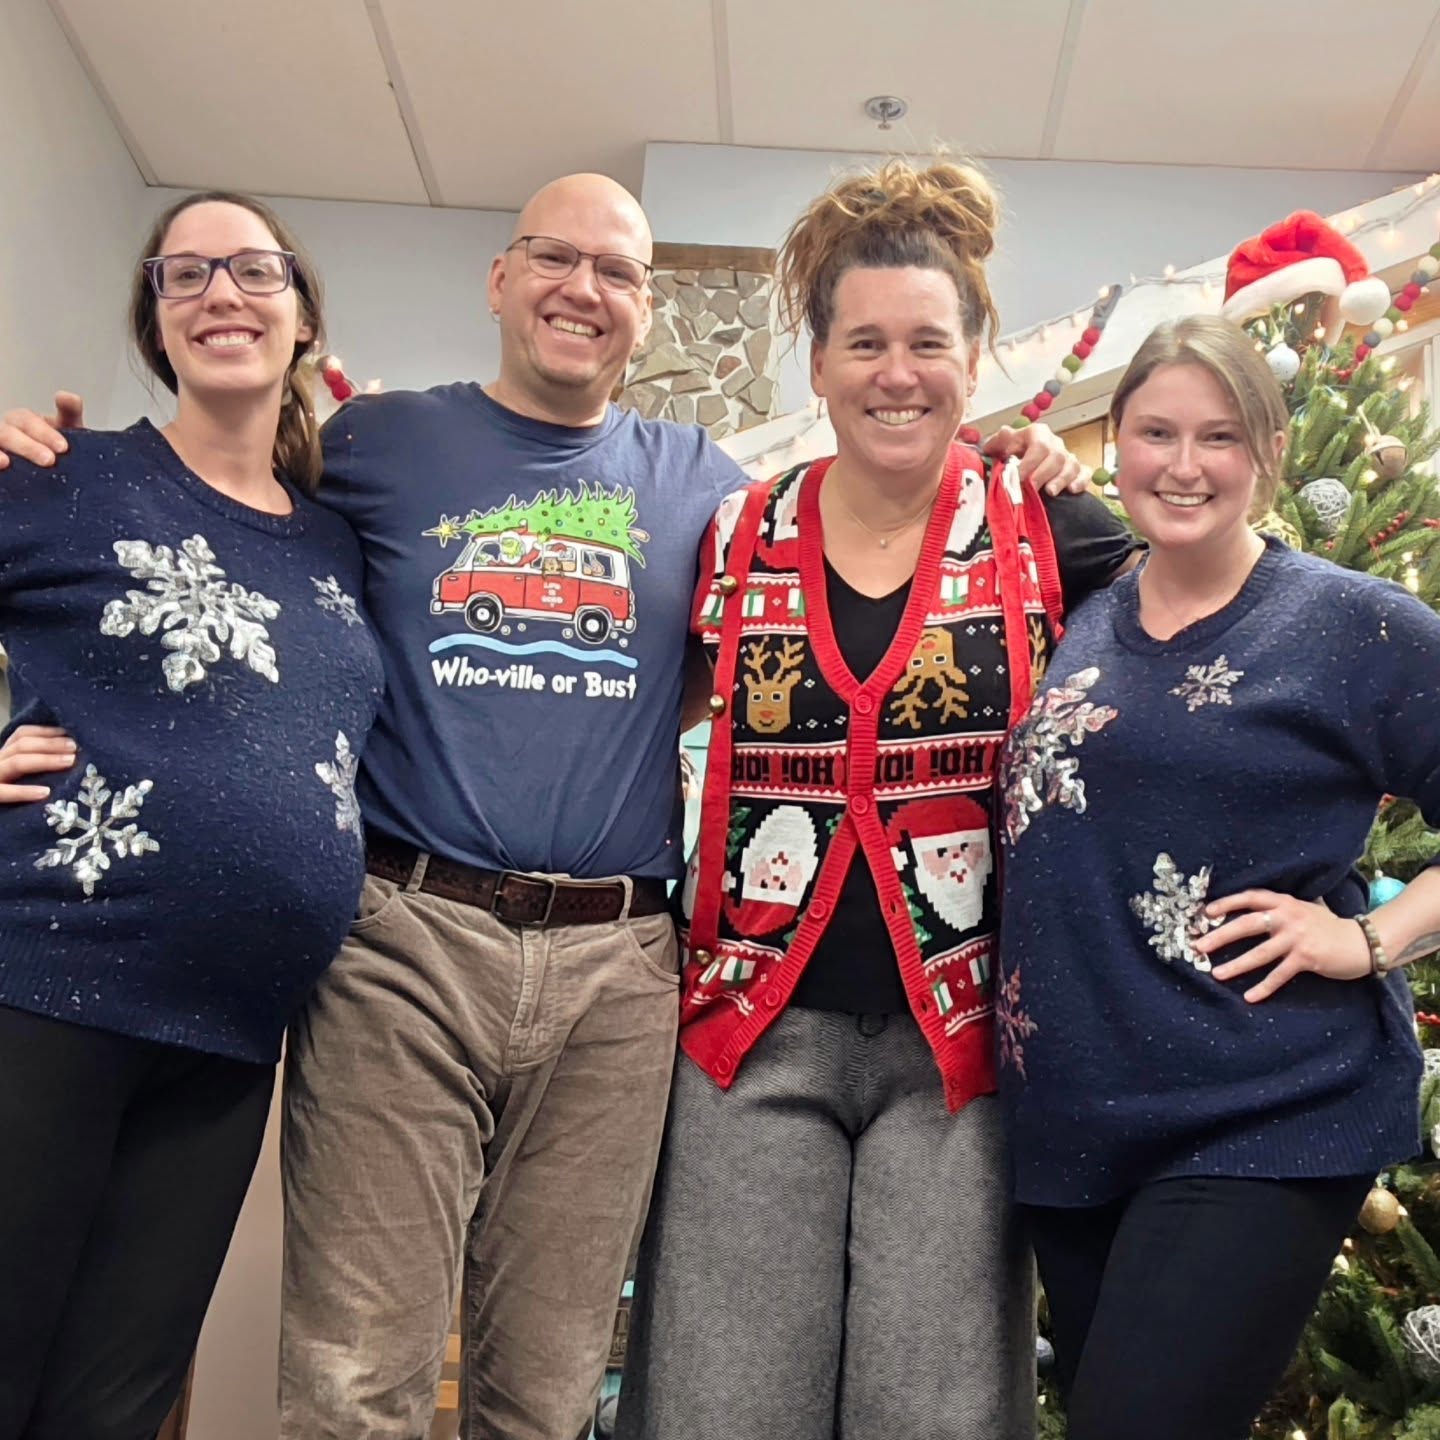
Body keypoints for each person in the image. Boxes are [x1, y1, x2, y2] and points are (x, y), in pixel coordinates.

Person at [0, 171, 1084, 1440]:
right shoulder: (371, 445)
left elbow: (779, 614)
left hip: (618, 969)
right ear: (501, 280)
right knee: (359, 1381)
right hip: (402, 940)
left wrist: (1022, 462)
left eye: (617, 270)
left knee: (551, 1386)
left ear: (644, 308)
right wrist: (56, 465)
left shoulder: (711, 488)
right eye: (554, 258)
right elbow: (222, 511)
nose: (583, 290)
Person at [615, 158, 1140, 1440]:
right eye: (865, 343)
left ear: (978, 357)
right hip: (749, 1034)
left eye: (925, 341)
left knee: (935, 1410)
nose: (894, 372)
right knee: (721, 1406)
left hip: (956, 1051)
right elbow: (606, 693)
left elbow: (1210, 658)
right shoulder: (734, 532)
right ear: (818, 361)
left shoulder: (1048, 527)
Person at [996, 313, 1440, 1440]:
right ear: (1117, 446)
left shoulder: (1353, 626)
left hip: (1263, 1111)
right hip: (1076, 1128)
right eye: (1154, 432)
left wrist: (1374, 938)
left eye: (1218, 436)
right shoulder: (1083, 612)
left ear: (1268, 452)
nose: (1182, 465)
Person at [0, 191, 382, 1439]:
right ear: (156, 326)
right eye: (185, 276)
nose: (221, 293)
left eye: (253, 270)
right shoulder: (68, 476)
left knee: (114, 1401)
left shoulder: (337, 546)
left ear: (300, 312)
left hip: (232, 1039)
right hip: (51, 990)